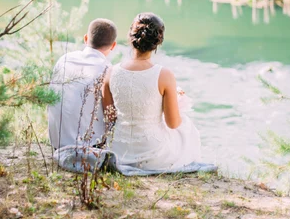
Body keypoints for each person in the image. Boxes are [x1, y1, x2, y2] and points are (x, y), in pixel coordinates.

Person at [102, 12, 201, 170]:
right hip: (153, 155)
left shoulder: (110, 72)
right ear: (158, 42)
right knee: (187, 128)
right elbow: (173, 123)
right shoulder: (164, 75)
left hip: (118, 151)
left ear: (130, 36)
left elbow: (109, 118)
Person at [48, 18, 117, 150]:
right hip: (88, 147)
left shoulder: (64, 59)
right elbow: (110, 115)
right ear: (113, 45)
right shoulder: (108, 69)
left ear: (85, 38)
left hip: (57, 142)